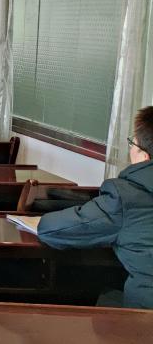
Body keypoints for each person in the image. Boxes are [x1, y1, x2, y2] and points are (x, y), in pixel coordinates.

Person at [37, 106, 153, 309]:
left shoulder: (126, 197)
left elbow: (51, 229)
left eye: (132, 143)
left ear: (144, 156)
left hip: (143, 318)